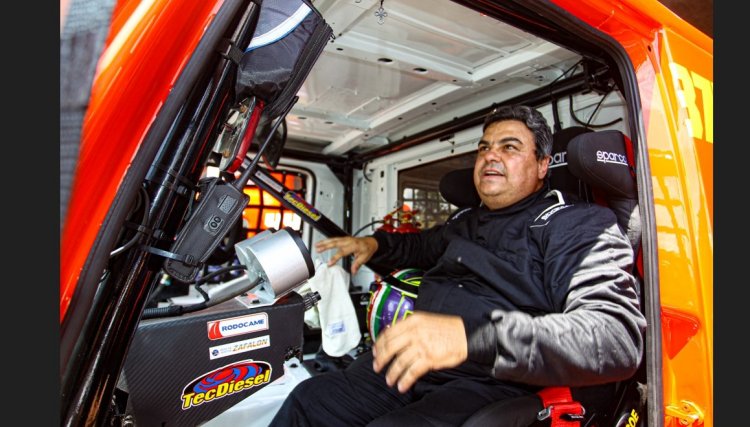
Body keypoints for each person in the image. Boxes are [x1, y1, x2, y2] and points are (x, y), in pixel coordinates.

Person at [269, 104, 646, 426]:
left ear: (543, 164)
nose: (490, 156)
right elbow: (418, 247)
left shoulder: (576, 225)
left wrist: (473, 338)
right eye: (484, 148)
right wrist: (372, 243)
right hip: (412, 362)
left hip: (492, 378)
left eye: (509, 147)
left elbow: (615, 337)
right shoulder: (464, 221)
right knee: (309, 401)